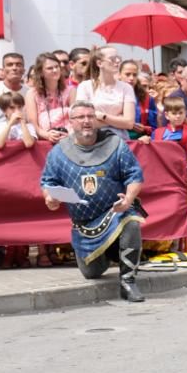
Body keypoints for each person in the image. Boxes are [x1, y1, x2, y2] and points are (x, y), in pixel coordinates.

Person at [41, 100, 146, 301]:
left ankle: (128, 281)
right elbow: (48, 181)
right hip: (85, 226)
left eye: (90, 117)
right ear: (71, 122)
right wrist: (50, 198)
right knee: (91, 273)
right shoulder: (59, 152)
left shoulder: (115, 144)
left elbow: (134, 175)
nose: (86, 121)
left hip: (114, 212)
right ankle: (110, 253)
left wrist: (129, 198)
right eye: (80, 117)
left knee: (131, 221)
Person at [76, 46, 137, 138]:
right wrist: (118, 119)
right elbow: (83, 121)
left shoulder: (126, 88)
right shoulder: (85, 86)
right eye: (112, 59)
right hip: (92, 140)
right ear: (99, 63)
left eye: (118, 58)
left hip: (119, 140)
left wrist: (102, 116)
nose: (117, 61)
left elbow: (129, 123)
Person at [26, 52, 76, 144]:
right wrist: (46, 135)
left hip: (69, 139)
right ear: (41, 72)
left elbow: (76, 117)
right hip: (44, 141)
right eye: (50, 68)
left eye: (57, 67)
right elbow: (33, 123)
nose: (55, 70)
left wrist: (70, 135)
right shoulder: (32, 93)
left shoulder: (71, 90)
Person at [0, 52, 27, 137]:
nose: (14, 68)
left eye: (18, 65)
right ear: (3, 70)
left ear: (23, 70)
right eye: (10, 65)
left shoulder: (29, 93)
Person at [120, 60, 161, 139]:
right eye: (127, 74)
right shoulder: (111, 95)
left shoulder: (147, 98)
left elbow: (155, 128)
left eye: (134, 75)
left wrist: (145, 129)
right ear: (119, 75)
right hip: (118, 140)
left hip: (141, 141)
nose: (131, 78)